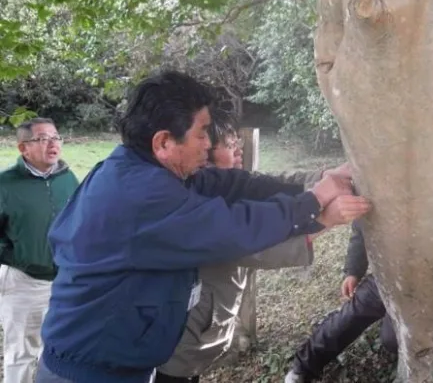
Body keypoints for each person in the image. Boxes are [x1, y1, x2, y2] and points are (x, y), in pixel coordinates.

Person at [35, 71, 370, 383]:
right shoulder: (140, 195)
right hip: (87, 374)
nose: (209, 144)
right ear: (163, 142)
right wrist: (314, 204)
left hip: (120, 365)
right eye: (202, 132)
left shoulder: (149, 171)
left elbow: (239, 185)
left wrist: (323, 180)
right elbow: (234, 228)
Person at [153, 110, 350, 383]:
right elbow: (257, 248)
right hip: (178, 342)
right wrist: (326, 219)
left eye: (238, 144)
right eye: (230, 146)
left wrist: (328, 175)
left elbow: (275, 183)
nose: (238, 151)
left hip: (199, 333)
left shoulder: (228, 185)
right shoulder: (202, 203)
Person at [0, 118, 79, 383]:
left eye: (56, 137)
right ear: (24, 148)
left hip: (64, 281)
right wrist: (16, 255)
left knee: (57, 350)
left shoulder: (68, 178)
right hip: (23, 282)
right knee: (21, 353)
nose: (53, 143)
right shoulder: (5, 184)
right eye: (43, 138)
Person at [284, 220, 397, 383]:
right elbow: (362, 228)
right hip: (387, 274)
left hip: (428, 283)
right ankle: (302, 368)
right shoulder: (377, 195)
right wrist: (353, 271)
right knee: (350, 315)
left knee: (391, 340)